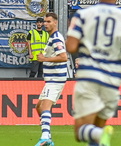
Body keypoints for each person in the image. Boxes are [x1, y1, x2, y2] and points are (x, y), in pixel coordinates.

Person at [66, 0, 121, 146]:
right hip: (113, 77)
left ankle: (99, 134)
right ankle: (100, 133)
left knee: (81, 132)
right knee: (99, 125)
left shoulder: (83, 15)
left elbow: (71, 47)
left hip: (89, 75)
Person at [33, 12, 68, 146]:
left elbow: (63, 57)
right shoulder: (52, 37)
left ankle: (45, 137)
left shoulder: (56, 38)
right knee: (39, 107)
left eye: (48, 22)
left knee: (45, 106)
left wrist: (44, 59)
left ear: (55, 22)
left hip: (56, 78)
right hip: (51, 79)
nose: (45, 24)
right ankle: (48, 137)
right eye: (44, 22)